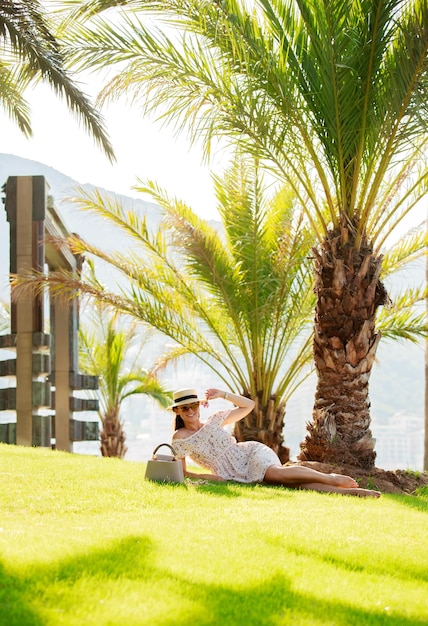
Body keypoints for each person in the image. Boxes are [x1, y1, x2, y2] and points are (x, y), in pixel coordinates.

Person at [170, 387, 381, 498]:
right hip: (229, 472)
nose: (190, 411)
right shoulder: (179, 438)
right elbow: (184, 473)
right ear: (177, 411)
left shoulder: (214, 419)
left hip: (249, 453)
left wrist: (223, 394)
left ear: (199, 405)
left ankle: (331, 478)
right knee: (290, 485)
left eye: (193, 405)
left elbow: (249, 406)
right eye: (185, 408)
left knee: (277, 474)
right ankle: (350, 493)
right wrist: (213, 478)